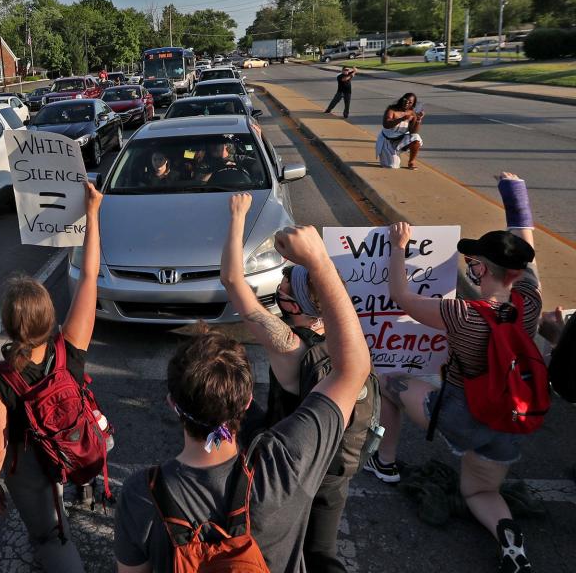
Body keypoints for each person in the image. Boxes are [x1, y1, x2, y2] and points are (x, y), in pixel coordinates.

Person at [115, 223, 373, 573]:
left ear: (173, 404)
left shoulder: (139, 494)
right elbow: (353, 368)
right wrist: (320, 262)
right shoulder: (285, 466)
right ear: (248, 399)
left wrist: (237, 218)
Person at [365, 172, 540, 573]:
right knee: (479, 491)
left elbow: (401, 296)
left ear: (481, 269)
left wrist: (398, 248)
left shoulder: (461, 314)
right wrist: (515, 195)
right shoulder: (530, 300)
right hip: (511, 419)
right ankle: (509, 539)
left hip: (464, 412)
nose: (470, 266)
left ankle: (386, 463)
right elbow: (526, 246)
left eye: (472, 262)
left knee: (389, 383)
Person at [220, 194, 379, 573]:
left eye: (287, 284)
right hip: (335, 473)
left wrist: (238, 215)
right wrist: (318, 263)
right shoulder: (349, 349)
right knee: (322, 553)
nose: (281, 286)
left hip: (289, 467)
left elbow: (231, 279)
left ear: (293, 305)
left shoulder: (289, 347)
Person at [0, 181, 103, 573]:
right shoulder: (69, 347)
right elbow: (89, 276)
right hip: (71, 440)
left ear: (7, 326)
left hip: (29, 463)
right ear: (50, 317)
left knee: (46, 535)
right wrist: (93, 213)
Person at [375, 93, 423, 170]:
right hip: (387, 141)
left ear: (413, 104)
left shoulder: (412, 113)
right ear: (402, 100)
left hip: (400, 140)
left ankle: (411, 161)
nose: (407, 103)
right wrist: (401, 119)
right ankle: (391, 154)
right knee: (392, 166)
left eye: (410, 102)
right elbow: (386, 124)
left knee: (416, 138)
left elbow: (413, 132)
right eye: (405, 100)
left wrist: (418, 120)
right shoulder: (391, 110)